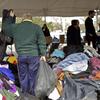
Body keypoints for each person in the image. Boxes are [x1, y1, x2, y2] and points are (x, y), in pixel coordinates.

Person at [3, 12, 46, 96]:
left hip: (21, 56)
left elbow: (5, 29)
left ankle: (25, 96)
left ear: (22, 19)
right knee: (33, 77)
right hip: (34, 56)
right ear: (31, 19)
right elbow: (42, 41)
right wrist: (43, 54)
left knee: (23, 77)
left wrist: (10, 18)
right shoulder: (36, 27)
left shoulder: (16, 27)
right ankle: (33, 96)